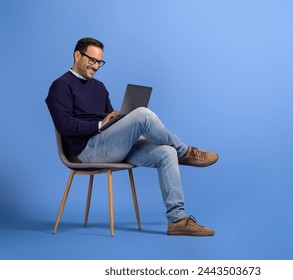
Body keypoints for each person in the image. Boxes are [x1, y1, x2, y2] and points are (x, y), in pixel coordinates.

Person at [45, 37, 218, 236]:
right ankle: (186, 152)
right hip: (87, 151)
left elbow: (108, 118)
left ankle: (177, 220)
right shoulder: (60, 85)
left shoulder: (99, 87)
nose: (95, 66)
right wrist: (100, 124)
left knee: (166, 152)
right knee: (143, 114)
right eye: (91, 60)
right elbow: (64, 126)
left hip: (110, 146)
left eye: (99, 62)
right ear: (77, 55)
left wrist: (117, 119)